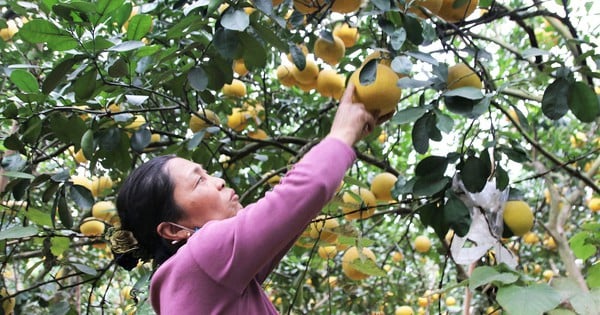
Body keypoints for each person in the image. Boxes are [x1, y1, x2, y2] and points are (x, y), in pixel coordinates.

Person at [112, 83, 386, 314]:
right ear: (173, 229)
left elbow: (290, 216)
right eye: (199, 181)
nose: (218, 181)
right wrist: (342, 132)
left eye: (208, 173)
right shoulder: (204, 256)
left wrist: (349, 138)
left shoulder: (196, 282)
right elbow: (300, 194)